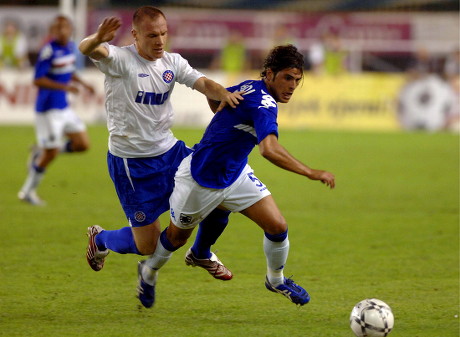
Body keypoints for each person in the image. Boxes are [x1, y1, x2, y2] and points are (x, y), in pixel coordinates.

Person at [137, 44, 336, 308]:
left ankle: (275, 280)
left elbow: (217, 98)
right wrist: (311, 172)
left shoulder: (250, 86)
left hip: (235, 172)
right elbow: (269, 149)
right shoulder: (264, 102)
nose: (292, 86)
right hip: (200, 178)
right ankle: (149, 271)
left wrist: (225, 118)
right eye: (287, 78)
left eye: (297, 80)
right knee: (175, 238)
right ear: (269, 74)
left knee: (277, 226)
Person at [78, 7, 243, 283]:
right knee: (148, 245)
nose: (160, 41)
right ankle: (101, 239)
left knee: (218, 189)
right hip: (133, 164)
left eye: (164, 33)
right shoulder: (120, 59)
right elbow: (86, 48)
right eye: (152, 35)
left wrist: (226, 94)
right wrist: (98, 38)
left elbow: (202, 82)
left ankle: (201, 252)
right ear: (135, 35)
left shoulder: (172, 62)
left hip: (170, 152)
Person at [18, 15, 94, 205]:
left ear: (70, 30)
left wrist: (84, 84)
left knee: (82, 144)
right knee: (50, 155)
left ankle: (40, 152)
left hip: (63, 107)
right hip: (48, 109)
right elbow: (37, 79)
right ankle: (27, 192)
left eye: (66, 28)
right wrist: (66, 88)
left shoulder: (69, 48)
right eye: (58, 28)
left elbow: (68, 71)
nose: (62, 32)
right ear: (53, 31)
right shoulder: (48, 50)